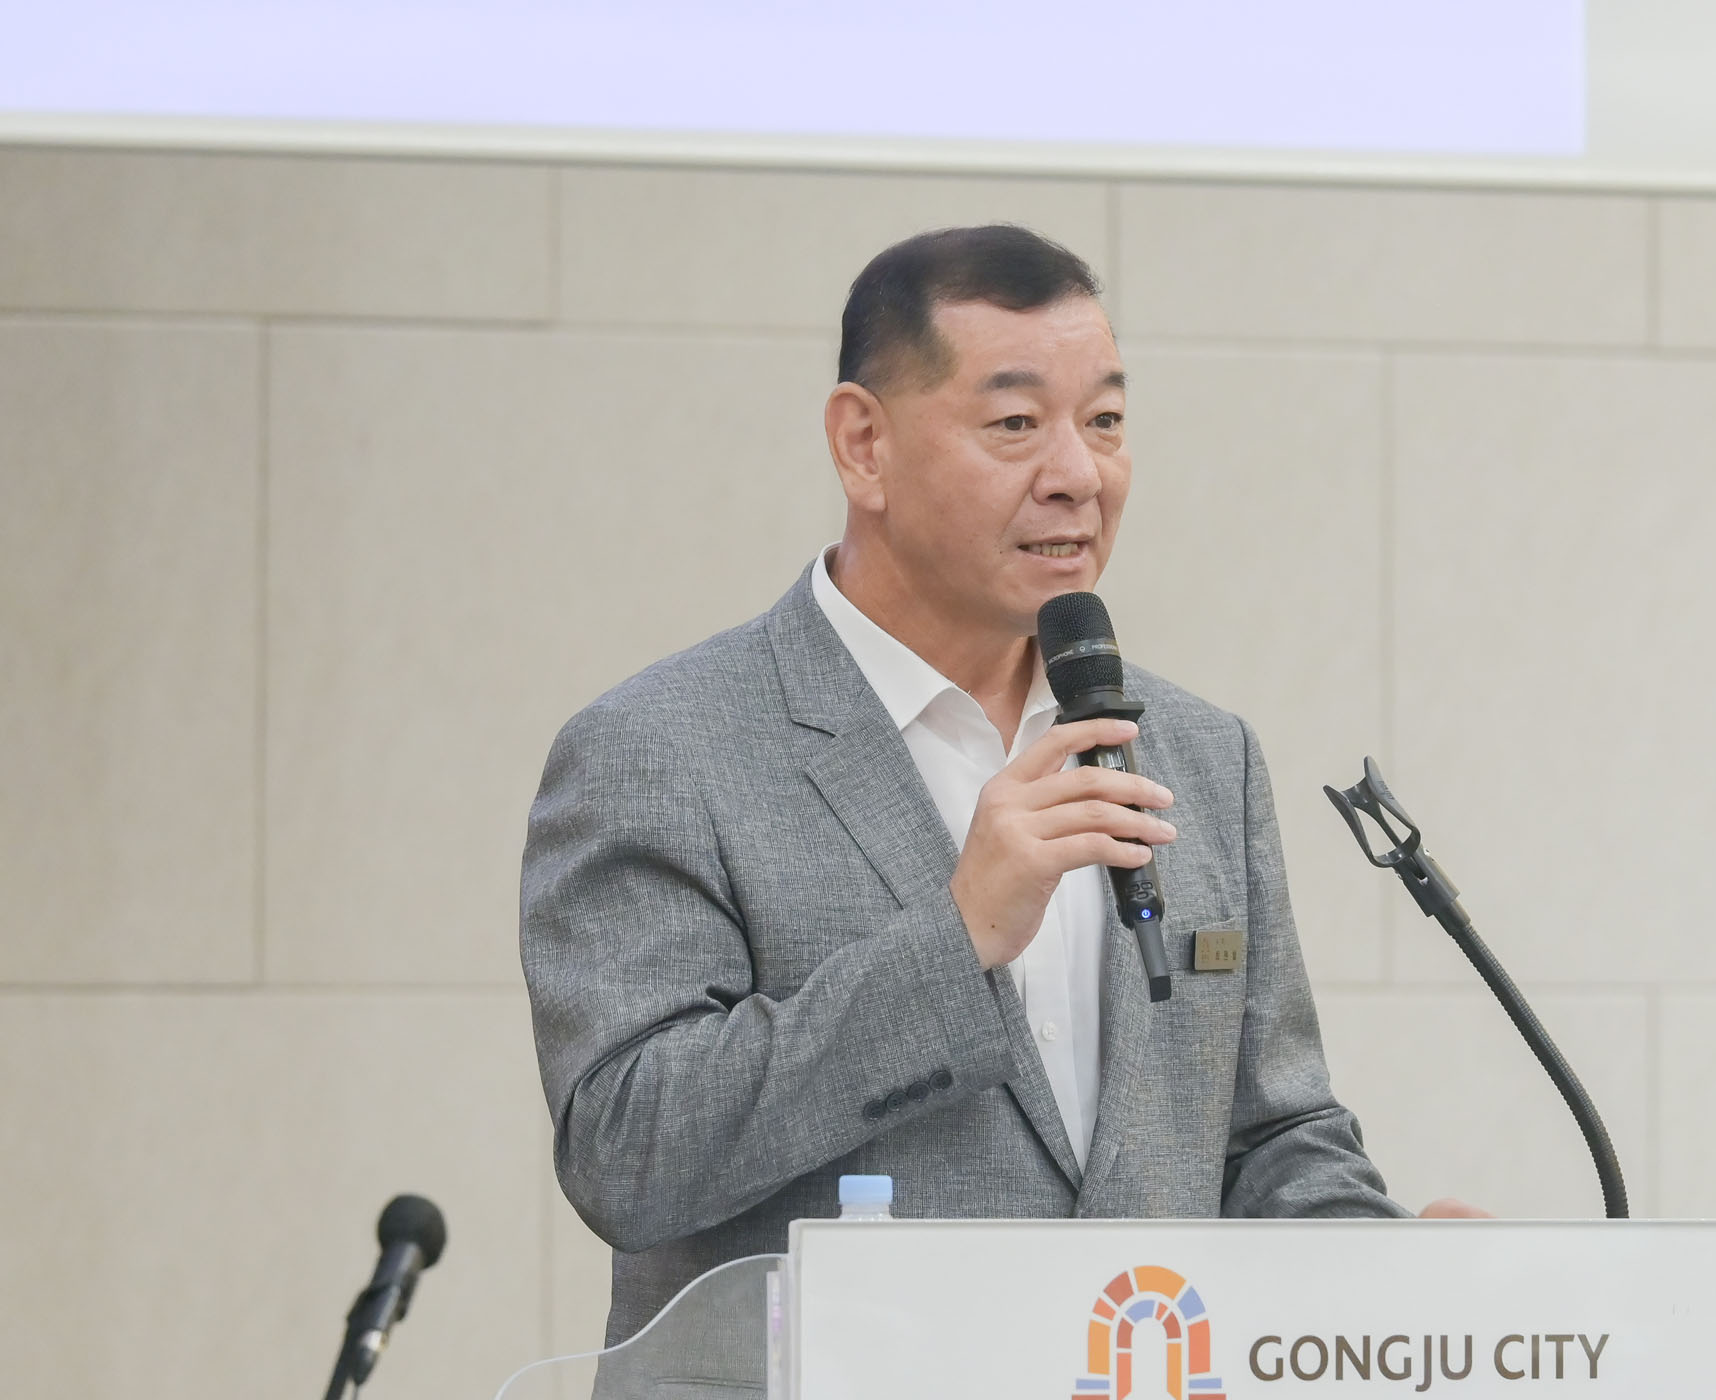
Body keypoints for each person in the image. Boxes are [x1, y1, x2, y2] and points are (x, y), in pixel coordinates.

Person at [521, 224, 1480, 1347]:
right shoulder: (662, 748)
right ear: (863, 446)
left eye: (1105, 421)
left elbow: (1270, 1137)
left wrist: (1394, 1278)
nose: (1078, 474)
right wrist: (958, 937)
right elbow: (626, 1151)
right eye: (1016, 424)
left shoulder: (1198, 752)